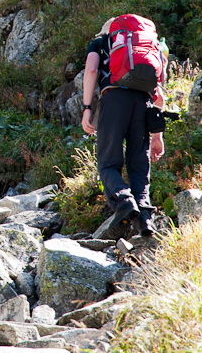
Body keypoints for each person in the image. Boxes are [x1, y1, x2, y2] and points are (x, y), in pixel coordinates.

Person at [81, 17, 164, 238]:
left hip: (115, 100)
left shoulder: (101, 43)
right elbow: (160, 96)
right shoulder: (147, 46)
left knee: (108, 162)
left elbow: (90, 71)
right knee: (139, 164)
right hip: (143, 103)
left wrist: (87, 107)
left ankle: (124, 201)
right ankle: (145, 220)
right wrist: (157, 136)